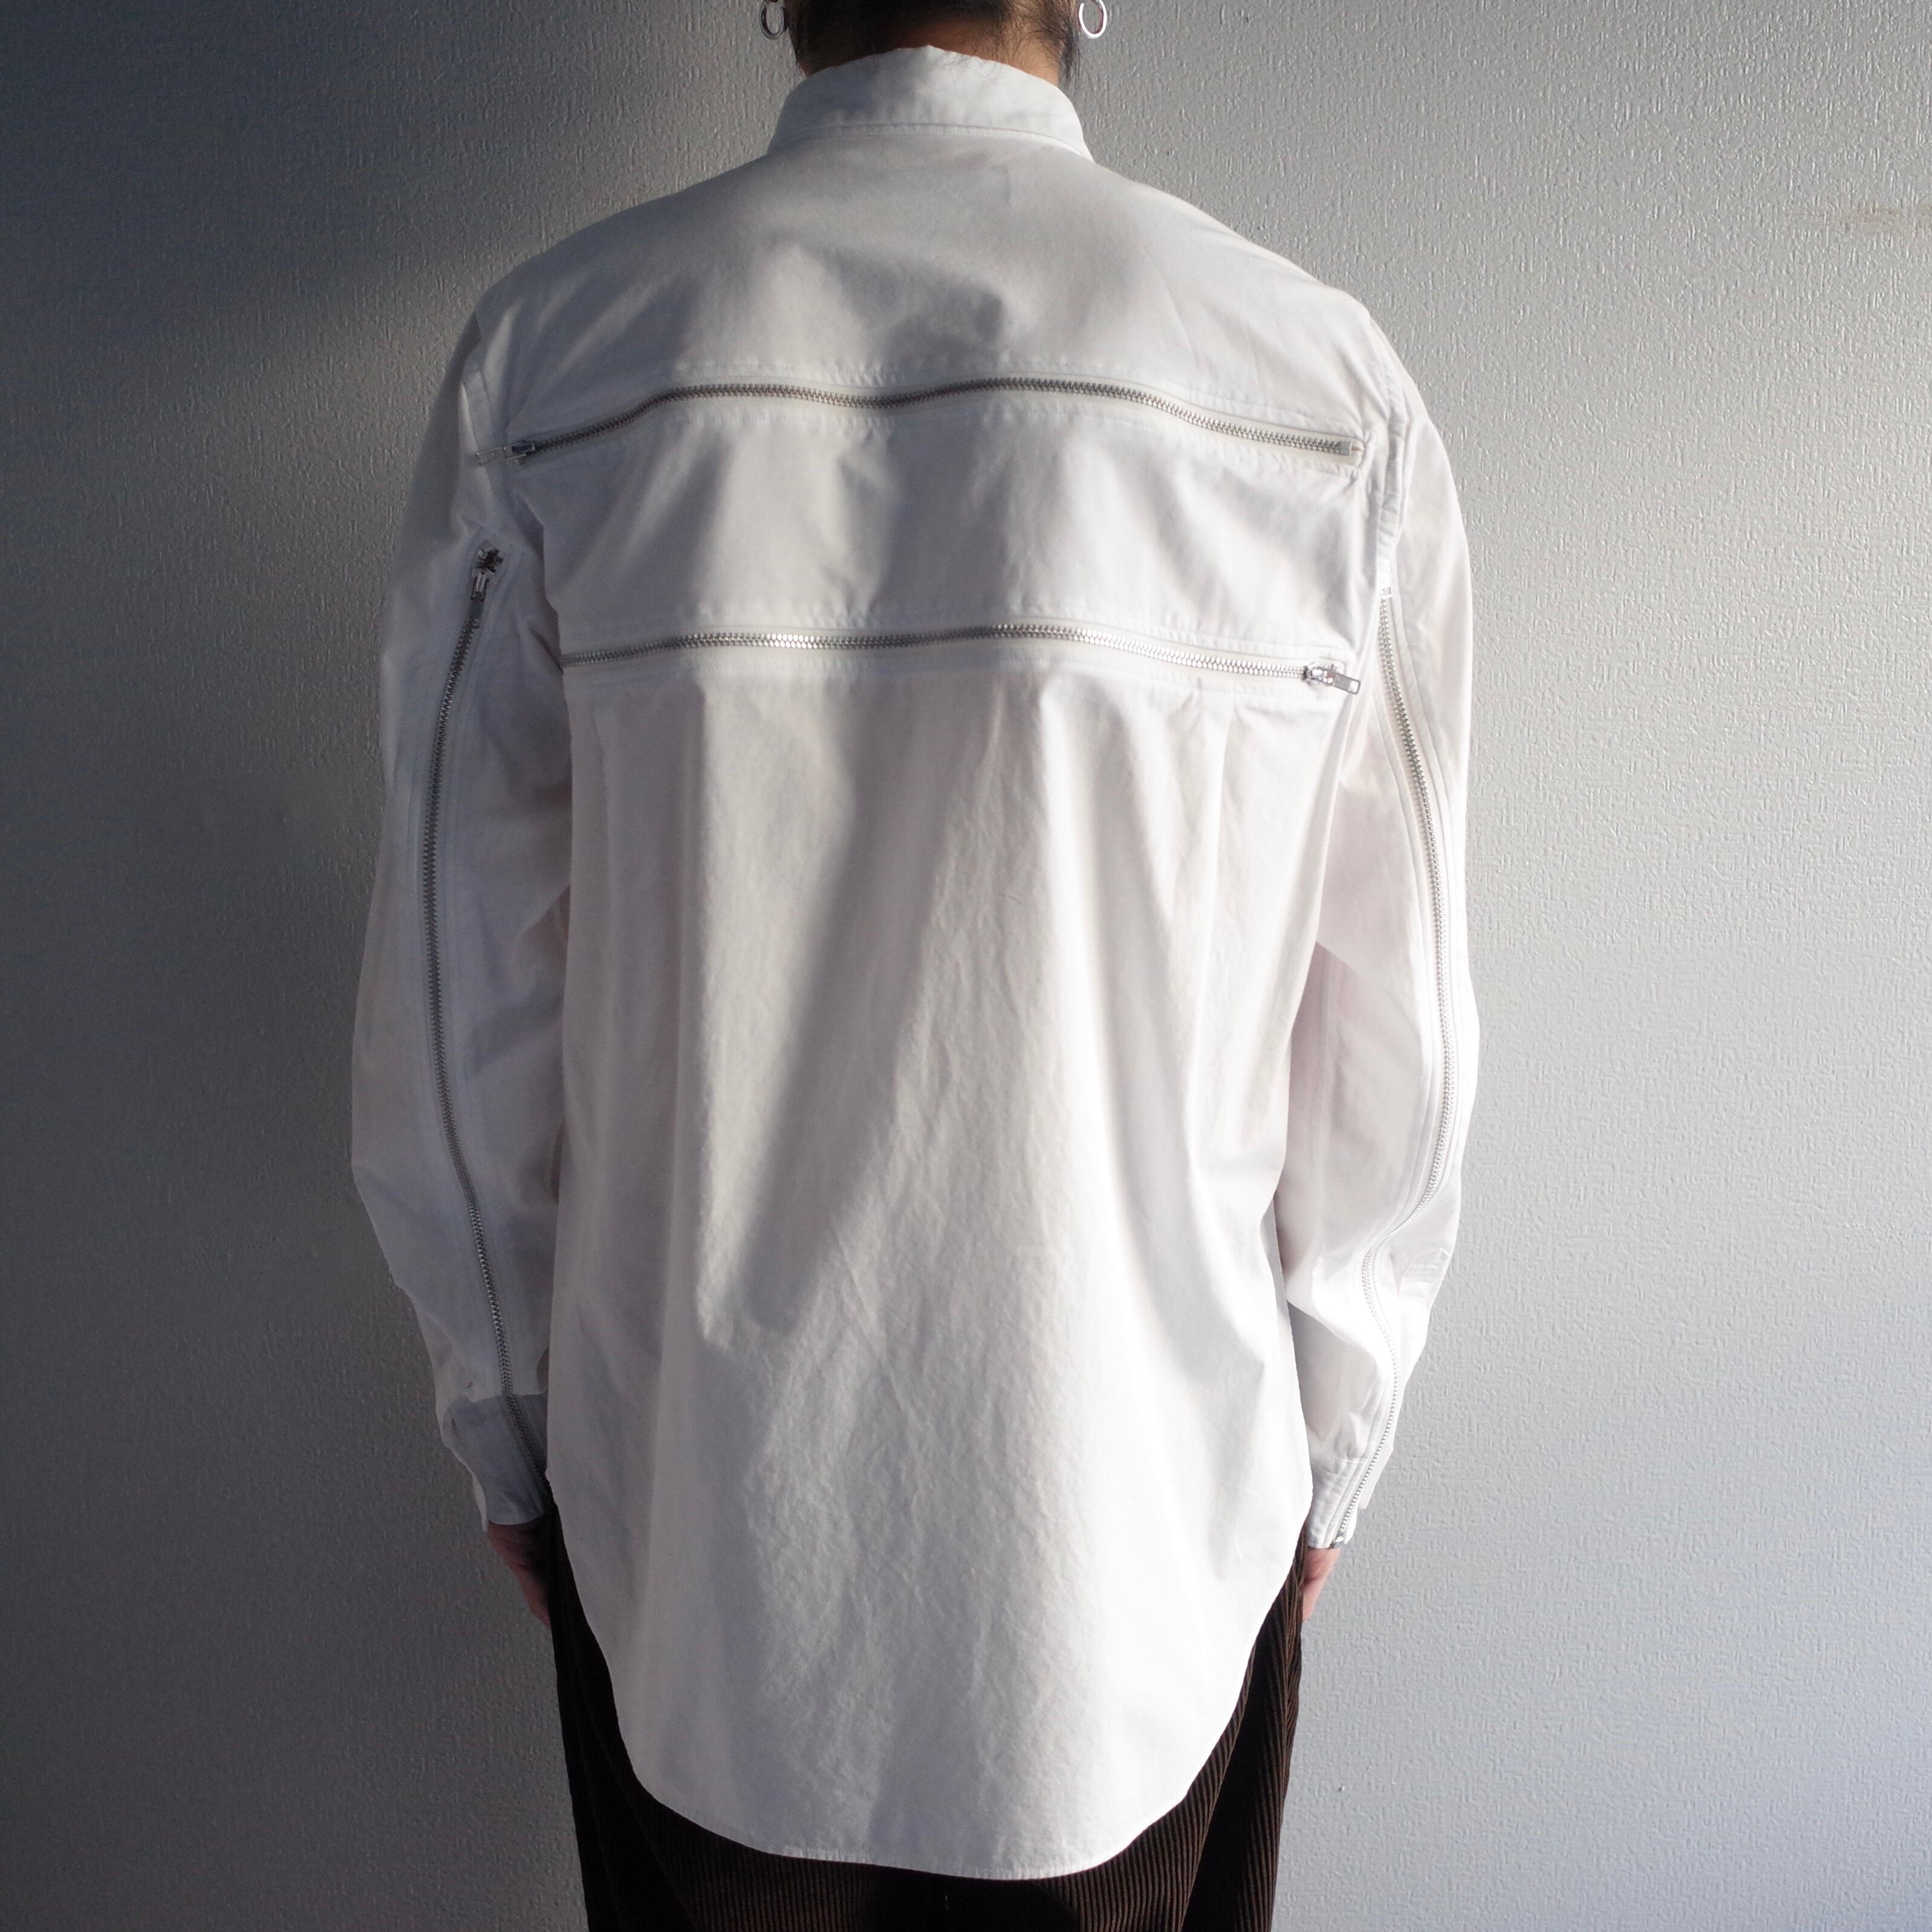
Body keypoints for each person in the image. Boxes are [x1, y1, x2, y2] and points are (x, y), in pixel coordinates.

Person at [350, 1, 1479, 1924]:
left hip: (703, 1544)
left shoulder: (559, 361)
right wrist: (1333, 1436)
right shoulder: (1311, 388)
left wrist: (508, 1422)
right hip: (1148, 1547)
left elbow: (463, 1021)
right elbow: (1399, 1031)